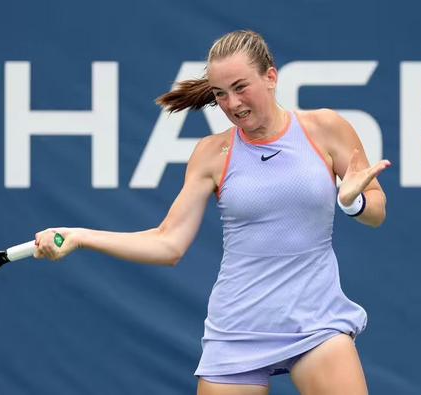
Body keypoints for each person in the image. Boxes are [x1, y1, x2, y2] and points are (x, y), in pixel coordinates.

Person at [34, 30, 391, 395]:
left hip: (317, 321)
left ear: (271, 77)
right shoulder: (211, 153)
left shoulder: (325, 128)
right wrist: (79, 237)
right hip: (238, 328)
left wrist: (352, 202)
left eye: (241, 87)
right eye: (220, 94)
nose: (233, 104)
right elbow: (168, 243)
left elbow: (376, 211)